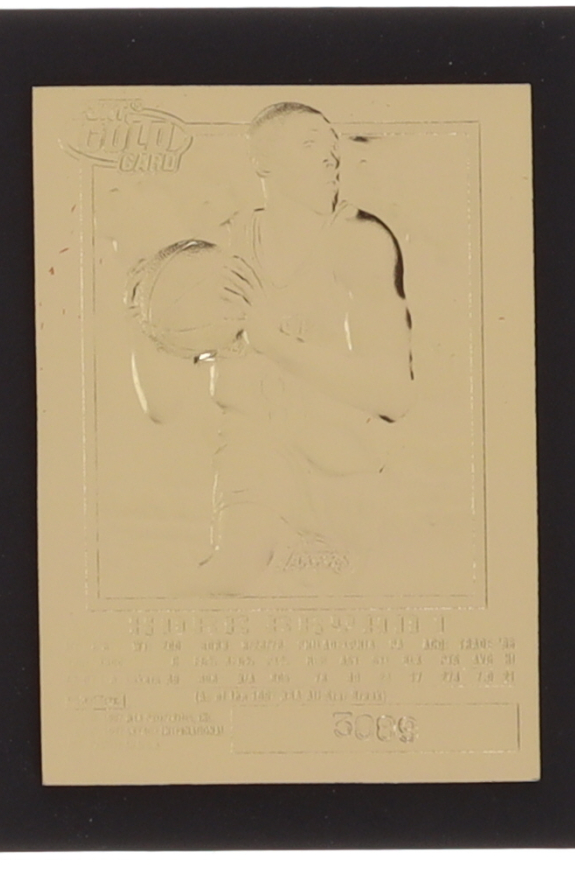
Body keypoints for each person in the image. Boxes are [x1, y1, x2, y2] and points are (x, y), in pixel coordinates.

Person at [129, 102, 414, 596]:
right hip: (254, 460)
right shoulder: (223, 246)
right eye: (309, 143)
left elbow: (394, 396)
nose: (330, 156)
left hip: (344, 471)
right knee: (224, 583)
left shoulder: (359, 241)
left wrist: (274, 343)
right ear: (262, 162)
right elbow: (162, 406)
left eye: (332, 145)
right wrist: (150, 324)